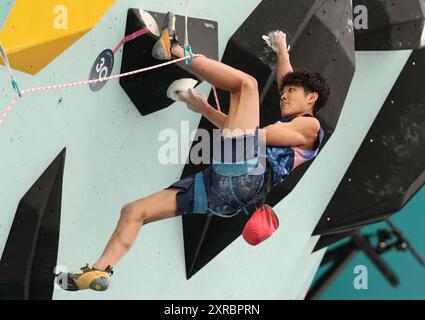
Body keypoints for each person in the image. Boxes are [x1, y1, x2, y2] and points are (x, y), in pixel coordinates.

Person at [56, 12, 330, 292]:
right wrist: (203, 107)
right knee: (135, 211)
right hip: (221, 198)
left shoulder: (310, 127)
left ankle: (174, 50)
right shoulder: (294, 119)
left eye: (292, 91)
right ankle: (100, 269)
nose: (283, 95)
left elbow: (253, 135)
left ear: (311, 98)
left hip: (247, 177)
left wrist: (227, 111)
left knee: (247, 85)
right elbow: (246, 128)